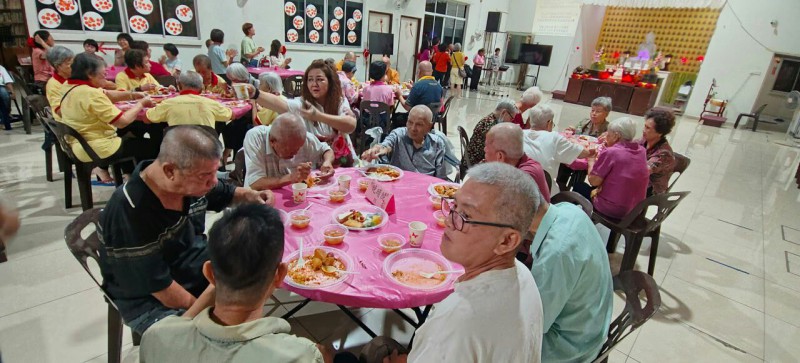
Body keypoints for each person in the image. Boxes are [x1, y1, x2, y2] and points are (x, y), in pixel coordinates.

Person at [359, 163, 543, 363]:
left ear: (507, 241)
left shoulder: (459, 319)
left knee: (370, 351)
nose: (448, 221)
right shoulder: (523, 274)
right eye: (454, 207)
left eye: (465, 216)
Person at [99, 126, 275, 335]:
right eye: (206, 175)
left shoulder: (189, 181)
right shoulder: (130, 210)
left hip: (193, 268)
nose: (213, 182)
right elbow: (161, 288)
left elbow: (224, 192)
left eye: (214, 172)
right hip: (150, 301)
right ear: (169, 171)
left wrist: (250, 195)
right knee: (227, 336)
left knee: (257, 256)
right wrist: (208, 314)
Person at [140, 204, 328, 362]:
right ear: (279, 276)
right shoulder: (300, 355)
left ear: (209, 273)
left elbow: (180, 330)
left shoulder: (155, 337)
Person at [525, 185, 613, 362]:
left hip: (571, 347)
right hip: (591, 323)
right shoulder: (568, 210)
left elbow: (534, 325)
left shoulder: (556, 254)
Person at [58, 53, 159, 175]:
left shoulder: (69, 86)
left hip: (79, 145)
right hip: (97, 148)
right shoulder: (90, 93)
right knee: (155, 145)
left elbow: (107, 94)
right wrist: (141, 104)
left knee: (132, 134)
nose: (106, 76)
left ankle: (128, 175)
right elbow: (122, 122)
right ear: (90, 74)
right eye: (103, 73)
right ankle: (142, 183)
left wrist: (133, 94)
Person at [250, 59, 357, 165]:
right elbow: (280, 103)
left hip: (342, 162)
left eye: (320, 79)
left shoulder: (339, 101)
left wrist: (319, 116)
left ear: (330, 82)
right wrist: (255, 93)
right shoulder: (303, 104)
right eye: (310, 80)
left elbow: (350, 126)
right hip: (315, 163)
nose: (314, 84)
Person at [579, 117, 649, 219]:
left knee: (579, 186)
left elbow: (593, 181)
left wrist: (591, 160)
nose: (606, 135)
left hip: (614, 209)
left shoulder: (612, 152)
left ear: (616, 136)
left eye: (609, 133)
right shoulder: (641, 150)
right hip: (635, 210)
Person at [243, 113, 334, 190]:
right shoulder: (255, 137)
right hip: (261, 201)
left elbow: (326, 150)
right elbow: (255, 183)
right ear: (272, 141)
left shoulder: (303, 138)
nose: (295, 153)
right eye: (289, 150)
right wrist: (291, 177)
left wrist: (327, 162)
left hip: (293, 196)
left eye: (299, 148)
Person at [361, 105, 448, 179]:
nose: (413, 128)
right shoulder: (399, 135)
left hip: (425, 189)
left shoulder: (437, 144)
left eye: (419, 124)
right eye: (410, 122)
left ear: (429, 127)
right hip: (399, 186)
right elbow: (386, 145)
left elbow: (440, 178)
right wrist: (377, 149)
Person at [523, 104, 595, 177]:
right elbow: (584, 153)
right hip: (544, 184)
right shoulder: (554, 137)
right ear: (549, 123)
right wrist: (575, 142)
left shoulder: (519, 133)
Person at [556, 96, 612, 190]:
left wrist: (607, 140)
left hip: (591, 157)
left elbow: (610, 147)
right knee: (564, 162)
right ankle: (560, 186)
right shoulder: (585, 122)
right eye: (592, 110)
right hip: (579, 152)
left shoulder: (609, 129)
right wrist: (572, 130)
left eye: (598, 111)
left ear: (606, 114)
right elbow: (577, 134)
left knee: (580, 170)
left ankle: (575, 190)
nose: (593, 114)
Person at [485, 123, 551, 202]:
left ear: (500, 156)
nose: (484, 149)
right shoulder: (517, 162)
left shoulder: (520, 181)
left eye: (486, 146)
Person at [145, 71, 233, 129]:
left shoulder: (168, 103)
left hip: (177, 150)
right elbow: (231, 115)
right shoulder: (212, 104)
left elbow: (147, 118)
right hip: (206, 150)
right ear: (201, 88)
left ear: (179, 86)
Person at [220, 63, 257, 164]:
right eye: (231, 80)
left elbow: (252, 105)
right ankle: (227, 156)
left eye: (234, 80)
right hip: (242, 116)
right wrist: (229, 92)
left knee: (233, 129)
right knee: (226, 127)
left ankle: (234, 159)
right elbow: (238, 99)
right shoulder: (240, 83)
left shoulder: (254, 84)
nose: (232, 82)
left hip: (251, 118)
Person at [465, 99, 519, 166]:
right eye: (511, 118)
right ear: (504, 112)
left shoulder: (491, 119)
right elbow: (496, 151)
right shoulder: (491, 126)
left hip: (473, 158)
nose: (510, 121)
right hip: (476, 163)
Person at [637, 108, 676, 196]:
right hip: (641, 181)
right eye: (644, 126)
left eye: (648, 128)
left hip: (652, 189)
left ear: (660, 133)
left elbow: (643, 171)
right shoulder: (644, 140)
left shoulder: (664, 154)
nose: (643, 130)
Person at [31, 30, 55, 94]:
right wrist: (42, 43)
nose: (53, 39)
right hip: (43, 81)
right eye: (51, 37)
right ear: (44, 41)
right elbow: (52, 53)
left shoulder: (44, 49)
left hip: (51, 78)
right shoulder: (37, 51)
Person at [0, 65, 14, 130]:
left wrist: (12, 91)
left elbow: (8, 81)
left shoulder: (1, 68)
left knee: (5, 95)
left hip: (0, 86)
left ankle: (3, 119)